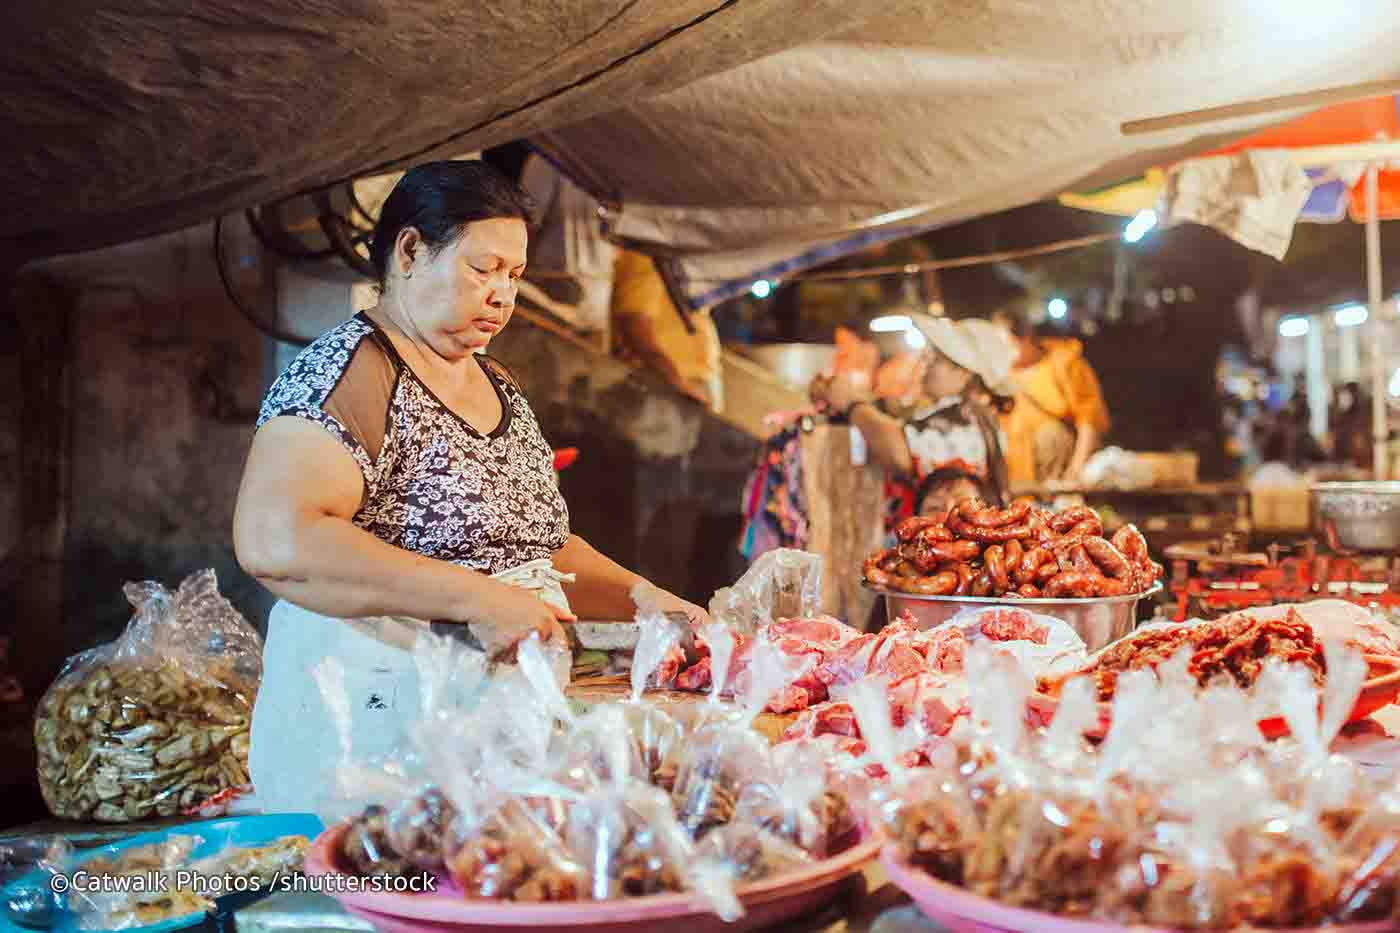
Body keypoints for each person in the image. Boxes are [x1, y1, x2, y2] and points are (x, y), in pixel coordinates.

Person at [233, 160, 707, 812]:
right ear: (409, 250)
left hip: (479, 729)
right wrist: (477, 598)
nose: (502, 296)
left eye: (514, 276)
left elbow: (537, 547)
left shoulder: (497, 384)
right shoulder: (351, 372)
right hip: (369, 733)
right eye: (482, 269)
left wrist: (647, 600)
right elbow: (275, 537)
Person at [809, 315, 1016, 523]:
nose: (925, 364)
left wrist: (849, 402)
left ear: (964, 374)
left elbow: (899, 452)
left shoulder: (963, 417)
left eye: (936, 359)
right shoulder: (977, 416)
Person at [991, 309, 1110, 485]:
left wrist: (1074, 472)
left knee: (1050, 436)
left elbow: (1089, 419)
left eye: (1006, 345)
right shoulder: (995, 373)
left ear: (1025, 338)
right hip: (1013, 471)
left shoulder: (1064, 363)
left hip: (1055, 468)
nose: (1000, 353)